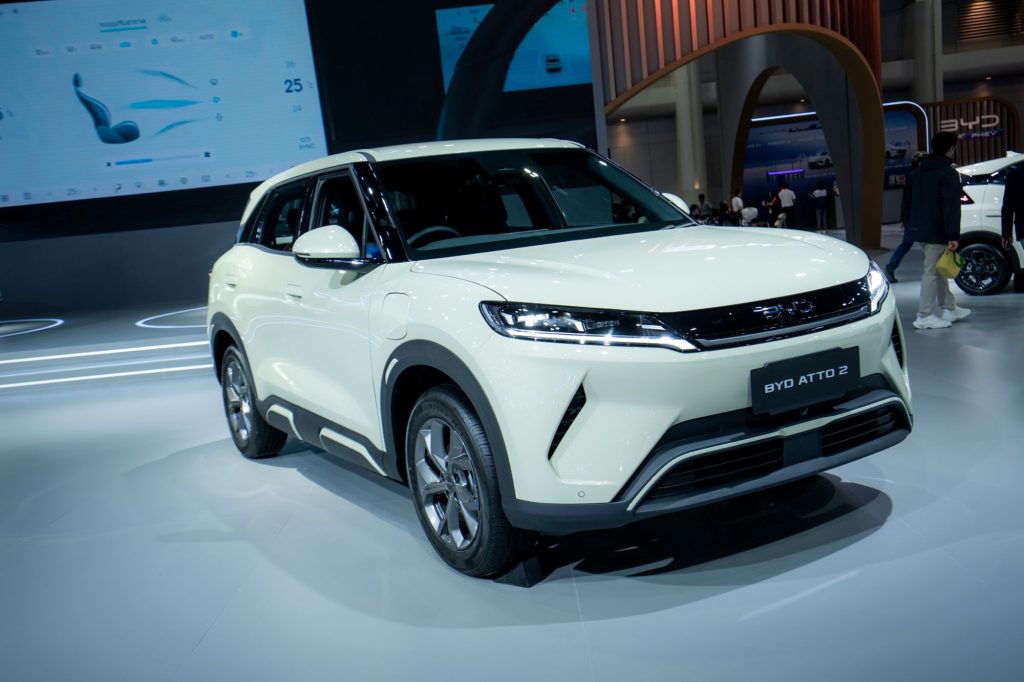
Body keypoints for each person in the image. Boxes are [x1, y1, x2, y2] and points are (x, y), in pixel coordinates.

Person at [907, 131, 971, 330]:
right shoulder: (948, 173)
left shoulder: (919, 171)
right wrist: (953, 235)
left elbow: (909, 201)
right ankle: (924, 315)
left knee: (938, 269)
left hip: (920, 229)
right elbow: (950, 206)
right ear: (950, 148)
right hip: (937, 231)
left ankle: (949, 308)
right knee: (932, 272)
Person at [885, 152, 926, 282]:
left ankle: (890, 268)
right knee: (927, 244)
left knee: (908, 244)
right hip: (917, 218)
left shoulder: (913, 176)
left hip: (912, 217)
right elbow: (909, 199)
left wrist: (904, 218)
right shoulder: (918, 176)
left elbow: (906, 199)